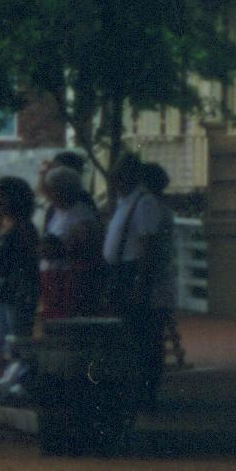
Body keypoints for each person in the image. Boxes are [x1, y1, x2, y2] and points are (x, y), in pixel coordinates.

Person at [100, 157, 175, 408]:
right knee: (129, 337)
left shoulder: (144, 204)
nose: (116, 183)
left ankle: (145, 393)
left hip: (134, 273)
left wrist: (140, 284)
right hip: (121, 271)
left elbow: (147, 246)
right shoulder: (126, 202)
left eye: (120, 177)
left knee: (144, 338)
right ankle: (134, 391)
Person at [0, 175, 41, 400]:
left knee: (18, 337)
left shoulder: (25, 228)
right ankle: (5, 377)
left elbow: (26, 261)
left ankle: (22, 380)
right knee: (1, 334)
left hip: (18, 289)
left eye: (0, 197)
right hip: (1, 288)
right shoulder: (1, 226)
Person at [37, 164, 101, 328]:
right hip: (51, 275)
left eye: (52, 190)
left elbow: (85, 247)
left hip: (69, 278)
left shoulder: (81, 213)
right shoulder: (54, 211)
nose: (50, 195)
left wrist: (60, 248)